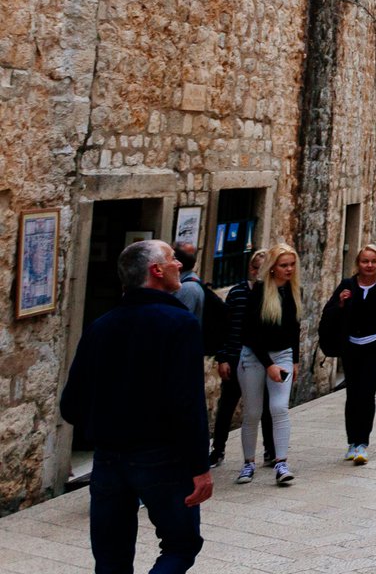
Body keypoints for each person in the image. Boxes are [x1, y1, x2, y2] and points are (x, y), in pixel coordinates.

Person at [61, 240, 213, 574]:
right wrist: (199, 466)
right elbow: (187, 402)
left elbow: (71, 404)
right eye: (173, 260)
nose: (179, 265)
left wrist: (106, 426)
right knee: (181, 545)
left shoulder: (101, 326)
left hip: (108, 458)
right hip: (162, 457)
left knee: (111, 558)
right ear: (156, 271)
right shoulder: (179, 323)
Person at [319, 245, 376, 465]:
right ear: (358, 263)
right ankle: (352, 441)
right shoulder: (348, 286)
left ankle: (362, 443)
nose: (369, 265)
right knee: (353, 394)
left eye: (373, 261)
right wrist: (340, 303)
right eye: (365, 261)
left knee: (367, 393)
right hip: (352, 348)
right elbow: (329, 314)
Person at [234, 243, 301, 486]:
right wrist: (268, 364)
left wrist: (294, 360)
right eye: (284, 265)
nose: (289, 269)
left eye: (292, 264)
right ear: (272, 268)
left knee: (279, 409)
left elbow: (294, 328)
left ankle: (281, 462)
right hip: (254, 356)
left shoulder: (293, 291)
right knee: (252, 412)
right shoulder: (260, 292)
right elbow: (250, 334)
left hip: (283, 354)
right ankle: (248, 462)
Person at [211, 250, 273, 468]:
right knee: (227, 405)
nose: (259, 274)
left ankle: (270, 450)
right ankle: (217, 450)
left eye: (264, 270)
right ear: (250, 268)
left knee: (267, 406)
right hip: (236, 356)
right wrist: (223, 358)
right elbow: (225, 328)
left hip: (263, 359)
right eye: (256, 268)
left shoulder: (272, 296)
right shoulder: (237, 293)